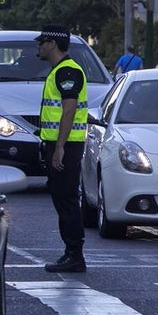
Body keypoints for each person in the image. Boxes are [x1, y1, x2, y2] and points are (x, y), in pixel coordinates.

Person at [36, 24, 88, 273]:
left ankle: (74, 254)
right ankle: (71, 253)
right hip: (60, 144)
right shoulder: (60, 70)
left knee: (66, 198)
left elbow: (69, 109)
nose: (39, 46)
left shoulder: (67, 71)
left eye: (41, 42)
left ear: (52, 44)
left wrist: (59, 147)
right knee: (61, 196)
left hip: (68, 145)